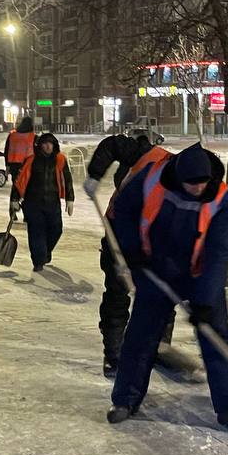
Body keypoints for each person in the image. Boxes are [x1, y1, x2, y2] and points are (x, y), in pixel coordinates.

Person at [106, 143, 228, 433]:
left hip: (199, 275)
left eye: (203, 183)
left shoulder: (222, 199)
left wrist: (205, 301)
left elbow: (219, 253)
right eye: (191, 183)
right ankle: (125, 400)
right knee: (141, 336)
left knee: (217, 337)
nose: (198, 188)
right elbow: (124, 209)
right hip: (155, 269)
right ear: (179, 177)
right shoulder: (151, 178)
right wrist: (132, 249)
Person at [83, 129, 164, 377]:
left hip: (152, 238)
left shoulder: (185, 191)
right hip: (118, 232)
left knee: (160, 295)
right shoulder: (145, 155)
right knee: (117, 294)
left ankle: (158, 347)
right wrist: (95, 175)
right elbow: (112, 145)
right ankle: (114, 354)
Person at [10, 132, 74, 271]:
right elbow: (20, 180)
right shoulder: (31, 160)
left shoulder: (60, 160)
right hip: (33, 203)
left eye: (50, 143)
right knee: (36, 232)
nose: (48, 146)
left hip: (52, 202)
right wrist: (14, 199)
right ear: (40, 146)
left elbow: (67, 179)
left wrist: (70, 199)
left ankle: (45, 251)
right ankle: (38, 261)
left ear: (55, 145)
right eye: (45, 144)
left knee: (56, 229)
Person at [4, 116, 36, 184]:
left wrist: (7, 165)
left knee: (16, 184)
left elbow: (6, 150)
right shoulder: (33, 136)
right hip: (28, 164)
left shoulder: (12, 135)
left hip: (13, 165)